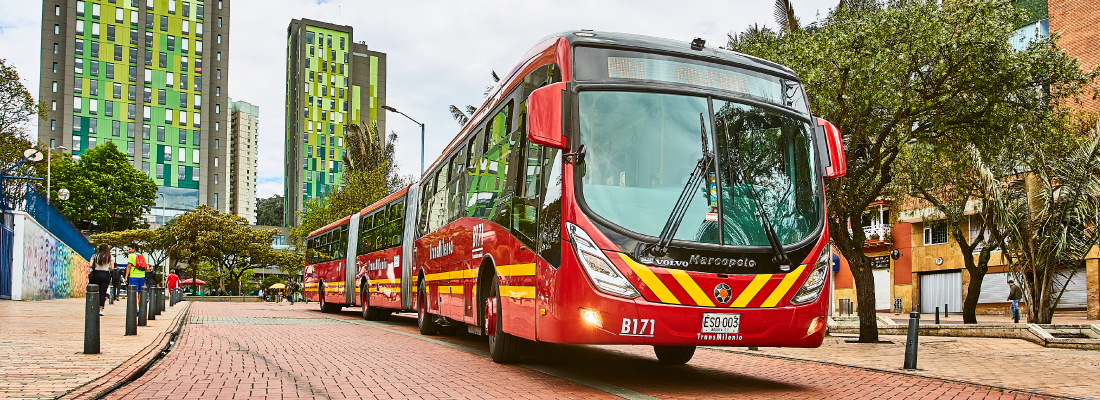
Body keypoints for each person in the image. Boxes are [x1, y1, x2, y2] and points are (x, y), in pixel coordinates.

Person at [88, 244, 113, 316]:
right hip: (105, 275)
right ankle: (101, 309)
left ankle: (93, 307)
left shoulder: (95, 255)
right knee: (103, 292)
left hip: (96, 274)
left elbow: (90, 265)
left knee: (96, 291)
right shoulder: (109, 256)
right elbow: (112, 267)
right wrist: (107, 267)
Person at [125, 244, 148, 310]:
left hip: (133, 276)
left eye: (129, 249)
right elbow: (147, 268)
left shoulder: (131, 256)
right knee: (140, 292)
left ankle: (136, 307)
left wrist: (126, 276)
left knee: (135, 291)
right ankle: (140, 306)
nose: (128, 251)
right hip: (142, 276)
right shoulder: (144, 257)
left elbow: (129, 266)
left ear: (134, 249)